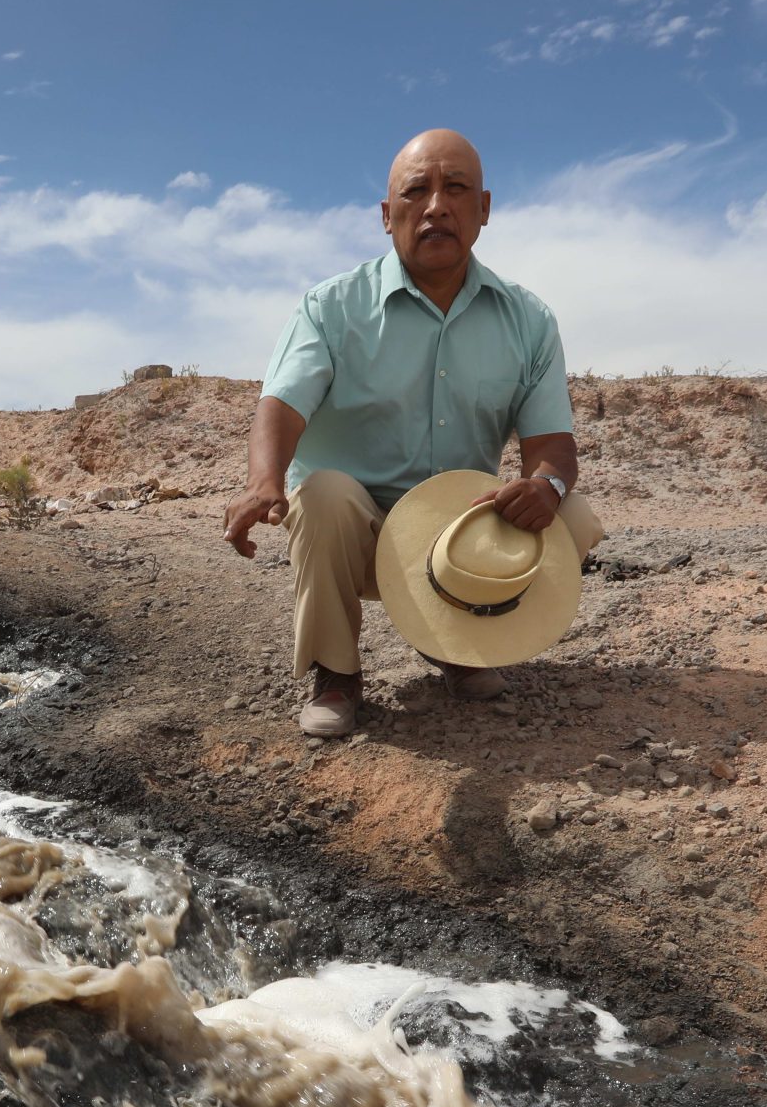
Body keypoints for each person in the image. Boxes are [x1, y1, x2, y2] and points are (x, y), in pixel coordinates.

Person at [222, 128, 604, 738]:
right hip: (356, 538)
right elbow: (282, 403)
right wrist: (265, 481)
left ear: (483, 210)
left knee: (573, 516)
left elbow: (551, 447)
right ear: (386, 214)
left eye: (456, 190)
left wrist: (547, 487)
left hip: (455, 534)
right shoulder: (332, 306)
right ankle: (337, 674)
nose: (435, 206)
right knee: (323, 494)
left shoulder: (528, 320)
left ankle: (457, 642)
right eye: (416, 191)